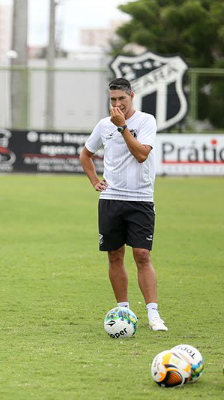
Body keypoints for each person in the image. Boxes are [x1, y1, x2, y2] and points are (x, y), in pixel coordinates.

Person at [79, 77, 168, 331]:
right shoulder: (103, 125)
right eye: (113, 100)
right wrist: (94, 180)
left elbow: (141, 155)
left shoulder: (146, 121)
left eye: (122, 99)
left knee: (142, 254)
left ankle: (153, 314)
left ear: (132, 96)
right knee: (115, 255)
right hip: (111, 199)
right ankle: (123, 311)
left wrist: (122, 127)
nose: (117, 104)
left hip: (140, 199)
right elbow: (86, 154)